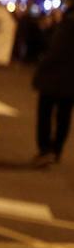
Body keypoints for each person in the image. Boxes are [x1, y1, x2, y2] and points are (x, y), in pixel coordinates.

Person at [33, 9, 74, 167]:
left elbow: (49, 47)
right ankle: (56, 150)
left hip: (52, 77)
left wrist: (48, 27)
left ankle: (45, 150)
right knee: (64, 117)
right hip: (70, 81)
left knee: (45, 113)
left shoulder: (64, 25)